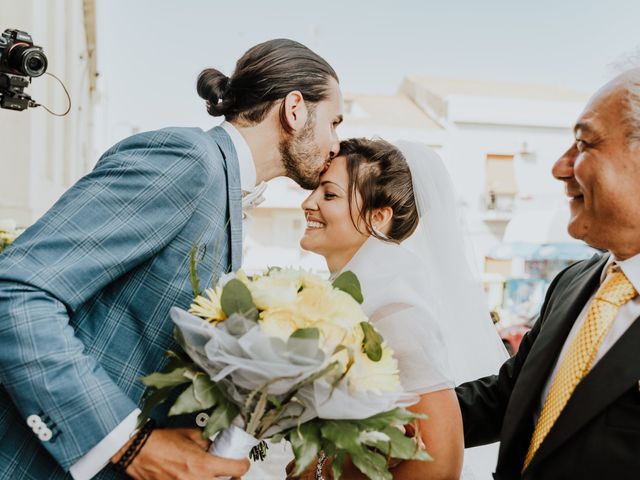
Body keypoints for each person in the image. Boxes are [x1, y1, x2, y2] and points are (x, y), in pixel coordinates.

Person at [0, 38, 343, 480]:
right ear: (295, 109)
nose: (337, 141)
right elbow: (18, 292)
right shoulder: (188, 160)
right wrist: (128, 445)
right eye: (334, 121)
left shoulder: (224, 190)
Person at [456, 69, 640, 479]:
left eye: (583, 144)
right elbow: (507, 397)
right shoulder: (572, 282)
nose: (560, 168)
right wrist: (376, 418)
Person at [286, 138, 507, 479]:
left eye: (328, 195)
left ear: (378, 217)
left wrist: (322, 473)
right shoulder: (346, 296)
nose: (308, 202)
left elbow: (441, 462)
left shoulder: (395, 306)